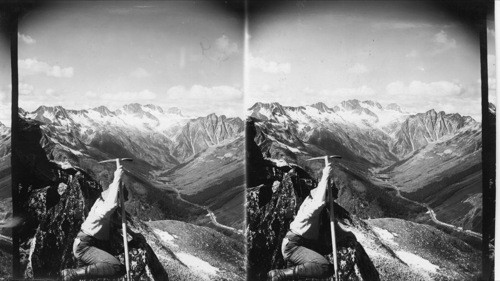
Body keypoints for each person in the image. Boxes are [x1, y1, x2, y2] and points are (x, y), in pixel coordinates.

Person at [267, 162, 335, 281]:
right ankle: (279, 274)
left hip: (296, 243)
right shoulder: (311, 206)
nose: (332, 200)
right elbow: (319, 203)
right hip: (294, 245)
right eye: (331, 196)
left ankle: (281, 275)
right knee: (324, 267)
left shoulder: (309, 200)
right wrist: (325, 176)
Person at [60, 163, 126, 280]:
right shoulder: (101, 206)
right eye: (120, 199)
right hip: (85, 246)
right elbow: (111, 205)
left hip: (89, 244)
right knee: (116, 267)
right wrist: (117, 178)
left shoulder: (102, 204)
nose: (120, 203)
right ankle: (71, 273)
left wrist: (132, 233)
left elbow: (115, 220)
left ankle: (74, 275)